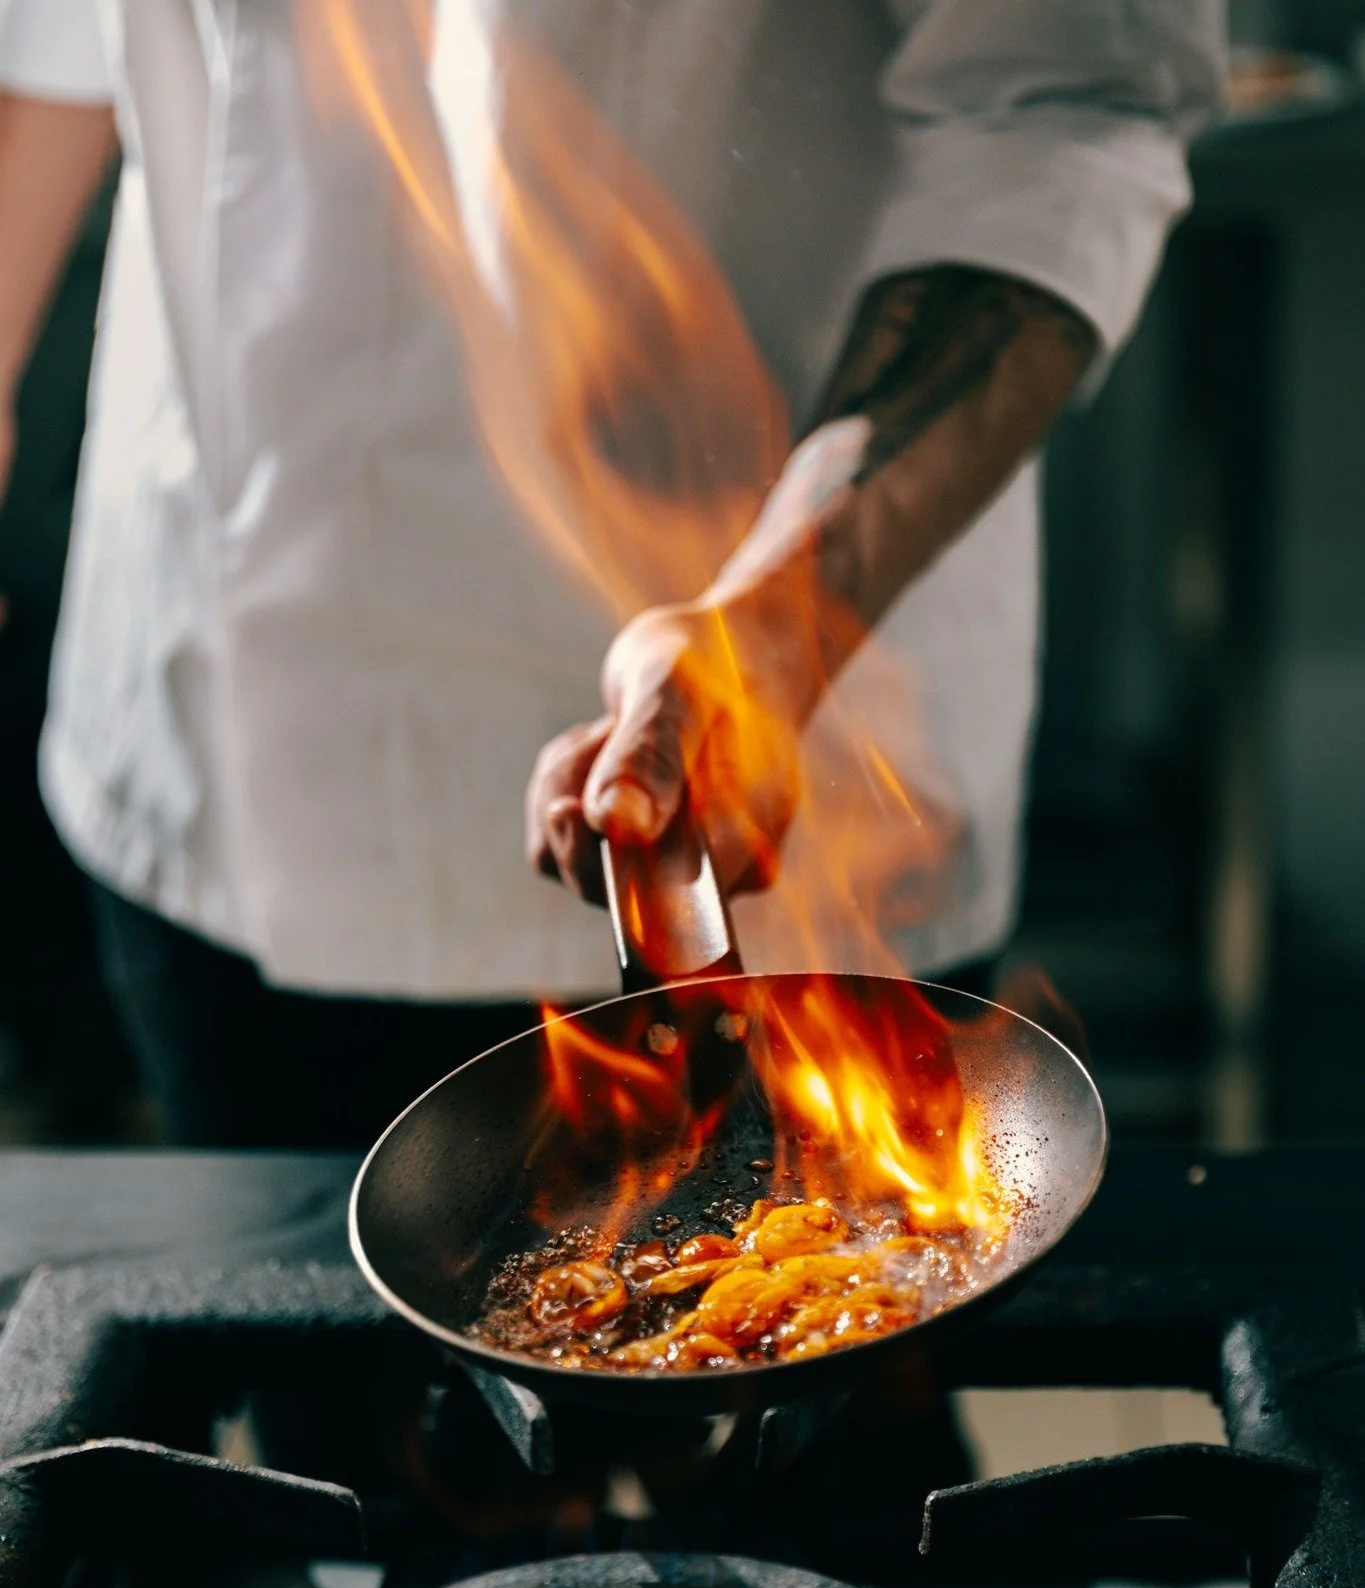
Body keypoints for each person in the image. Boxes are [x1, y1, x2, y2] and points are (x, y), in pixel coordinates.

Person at [0, 2, 1225, 1148]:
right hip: (208, 704)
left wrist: (777, 624)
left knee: (799, 1336)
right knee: (296, 1359)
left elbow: (1061, 103)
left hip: (772, 765)